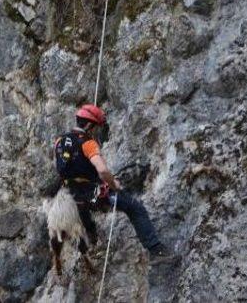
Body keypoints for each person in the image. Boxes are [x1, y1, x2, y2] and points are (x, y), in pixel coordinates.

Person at [54, 104, 177, 265]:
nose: (97, 131)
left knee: (83, 209)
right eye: (96, 127)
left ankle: (93, 237)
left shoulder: (59, 141)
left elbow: (61, 167)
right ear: (90, 125)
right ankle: (156, 250)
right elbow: (103, 170)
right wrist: (113, 184)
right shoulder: (88, 143)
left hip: (68, 197)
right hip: (90, 193)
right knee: (135, 208)